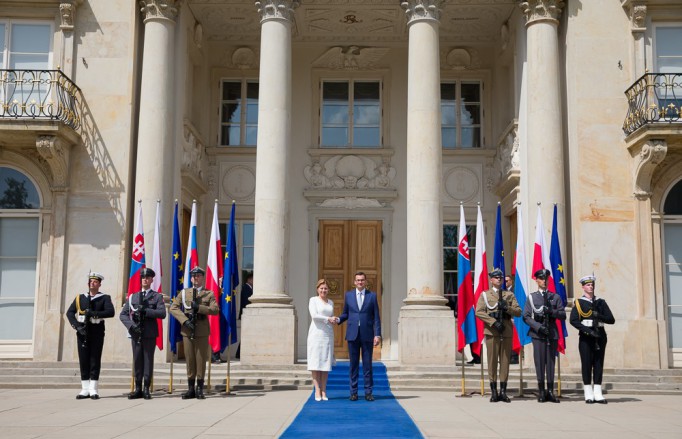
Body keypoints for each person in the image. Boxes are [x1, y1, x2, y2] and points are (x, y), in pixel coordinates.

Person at [170, 266, 219, 399]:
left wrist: (200, 308)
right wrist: (184, 321)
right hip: (187, 329)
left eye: (198, 275)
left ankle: (199, 388)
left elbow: (215, 310)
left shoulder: (209, 293)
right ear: (191, 278)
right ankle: (190, 388)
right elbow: (173, 308)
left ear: (203, 277)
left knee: (201, 359)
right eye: (193, 276)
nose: (196, 278)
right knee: (190, 359)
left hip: (202, 330)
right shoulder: (184, 293)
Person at [65, 271, 115, 400]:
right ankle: (85, 388)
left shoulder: (104, 297)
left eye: (95, 282)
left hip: (97, 330)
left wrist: (93, 313)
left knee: (94, 359)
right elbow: (70, 313)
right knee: (83, 359)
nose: (92, 283)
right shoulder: (80, 298)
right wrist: (77, 326)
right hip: (82, 330)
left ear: (99, 284)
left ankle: (93, 388)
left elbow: (110, 312)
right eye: (90, 281)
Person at [120, 267, 166, 400]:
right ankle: (138, 388)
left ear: (152, 280)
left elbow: (162, 313)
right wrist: (131, 327)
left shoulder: (157, 296)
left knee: (148, 360)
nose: (145, 279)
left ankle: (146, 388)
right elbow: (123, 315)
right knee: (137, 360)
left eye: (148, 277)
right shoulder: (133, 296)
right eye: (143, 277)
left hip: (149, 333)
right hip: (136, 332)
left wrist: (146, 311)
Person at [475, 269, 522, 403]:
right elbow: (479, 312)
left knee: (505, 362)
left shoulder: (509, 295)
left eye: (500, 277)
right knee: (492, 361)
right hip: (492, 331)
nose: (499, 279)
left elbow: (518, 312)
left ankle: (503, 391)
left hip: (506, 330)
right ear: (491, 280)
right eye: (496, 277)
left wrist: (507, 307)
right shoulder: (485, 295)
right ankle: (494, 391)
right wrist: (493, 322)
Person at [522, 268, 566, 403]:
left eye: (546, 278)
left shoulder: (555, 297)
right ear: (536, 280)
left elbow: (563, 315)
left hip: (551, 333)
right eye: (541, 278)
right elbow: (526, 316)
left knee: (551, 363)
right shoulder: (532, 297)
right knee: (540, 362)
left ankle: (550, 391)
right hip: (538, 334)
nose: (544, 281)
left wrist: (551, 311)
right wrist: (538, 327)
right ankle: (541, 391)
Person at [570, 274, 615, 404]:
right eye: (588, 285)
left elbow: (611, 319)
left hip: (600, 335)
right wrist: (588, 331)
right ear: (583, 287)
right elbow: (573, 320)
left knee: (598, 363)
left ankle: (598, 392)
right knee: (586, 363)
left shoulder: (601, 302)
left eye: (592, 285)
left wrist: (599, 315)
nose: (591, 287)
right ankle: (588, 392)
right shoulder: (579, 303)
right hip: (586, 336)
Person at [337, 272, 381, 401]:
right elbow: (345, 313)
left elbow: (376, 318)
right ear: (354, 282)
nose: (360, 282)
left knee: (367, 365)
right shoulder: (348, 296)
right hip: (353, 334)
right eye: (358, 280)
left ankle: (368, 392)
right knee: (353, 365)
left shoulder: (372, 296)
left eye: (362, 280)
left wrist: (377, 334)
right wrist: (338, 319)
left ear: (365, 282)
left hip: (367, 335)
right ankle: (353, 392)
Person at [307, 279, 337, 401]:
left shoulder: (331, 302)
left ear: (328, 290)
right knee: (315, 362)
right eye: (321, 288)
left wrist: (333, 320)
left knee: (325, 362)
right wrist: (328, 318)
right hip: (316, 334)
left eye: (325, 288)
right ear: (317, 289)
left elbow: (331, 316)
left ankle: (324, 390)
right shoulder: (313, 300)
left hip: (327, 334)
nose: (323, 290)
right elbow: (314, 316)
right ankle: (317, 390)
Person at [235, 271, 253, 360]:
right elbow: (246, 301)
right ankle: (238, 353)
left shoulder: (250, 288)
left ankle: (239, 353)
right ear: (249, 279)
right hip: (246, 314)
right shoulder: (246, 288)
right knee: (245, 335)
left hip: (249, 315)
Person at [505, 275, 519, 365]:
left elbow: (516, 305)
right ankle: (507, 356)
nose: (505, 283)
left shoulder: (515, 291)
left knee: (514, 339)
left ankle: (514, 357)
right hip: (505, 319)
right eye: (504, 281)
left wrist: (514, 318)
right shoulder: (503, 291)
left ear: (511, 281)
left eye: (507, 281)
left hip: (513, 319)